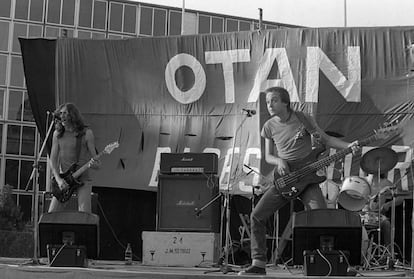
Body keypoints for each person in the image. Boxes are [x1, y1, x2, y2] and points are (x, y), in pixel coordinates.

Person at [239, 87, 360, 275]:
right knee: (257, 216)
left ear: (285, 102)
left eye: (274, 100)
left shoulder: (303, 118)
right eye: (268, 101)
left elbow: (326, 139)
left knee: (323, 218)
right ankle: (259, 263)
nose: (269, 105)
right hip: (286, 179)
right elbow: (269, 156)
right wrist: (279, 160)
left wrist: (349, 146)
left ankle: (336, 263)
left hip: (308, 178)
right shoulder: (268, 126)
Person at [48, 103, 100, 213]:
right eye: (60, 113)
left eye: (65, 113)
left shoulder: (87, 134)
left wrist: (95, 164)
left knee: (84, 214)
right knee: (51, 214)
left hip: (83, 179)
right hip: (65, 180)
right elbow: (53, 160)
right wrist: (58, 179)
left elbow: (97, 162)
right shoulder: (57, 134)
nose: (62, 116)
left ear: (73, 115)